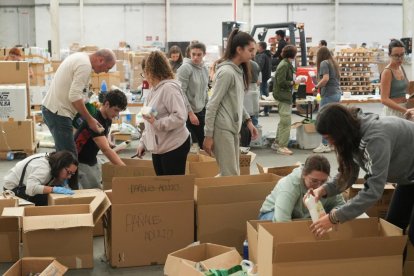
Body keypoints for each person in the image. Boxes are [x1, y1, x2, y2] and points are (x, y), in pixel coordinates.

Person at [310, 103, 414, 246]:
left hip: (410, 173)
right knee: (394, 228)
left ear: (339, 131)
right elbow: (348, 173)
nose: (329, 143)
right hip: (408, 177)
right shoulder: (352, 134)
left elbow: (373, 190)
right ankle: (394, 268)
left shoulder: (375, 139)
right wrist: (324, 190)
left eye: (328, 138)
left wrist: (334, 217)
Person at [203, 28, 258, 176]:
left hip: (232, 128)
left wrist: (248, 121)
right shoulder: (226, 72)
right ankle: (203, 194)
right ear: (239, 49)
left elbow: (236, 100)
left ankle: (204, 193)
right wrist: (208, 136)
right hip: (222, 129)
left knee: (232, 173)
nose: (253, 54)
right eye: (250, 50)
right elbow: (212, 105)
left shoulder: (237, 70)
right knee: (230, 174)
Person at [42, 49, 116, 156]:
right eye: (107, 68)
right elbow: (74, 96)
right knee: (69, 158)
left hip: (55, 110)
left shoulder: (82, 59)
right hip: (58, 113)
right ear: (100, 60)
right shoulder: (84, 65)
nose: (106, 71)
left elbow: (81, 96)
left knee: (63, 155)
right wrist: (90, 120)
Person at [135, 51, 190, 176]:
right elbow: (149, 117)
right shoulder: (154, 90)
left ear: (151, 71)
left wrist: (158, 123)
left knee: (172, 188)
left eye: (145, 73)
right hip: (159, 147)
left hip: (173, 145)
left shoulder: (169, 88)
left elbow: (180, 116)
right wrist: (143, 142)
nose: (145, 77)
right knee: (162, 187)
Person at [259, 155, 345, 222]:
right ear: (304, 174)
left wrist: (333, 215)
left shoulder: (328, 185)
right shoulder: (291, 185)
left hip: (303, 219)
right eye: (314, 181)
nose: (319, 186)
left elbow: (342, 205)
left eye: (323, 181)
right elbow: (281, 220)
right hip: (273, 215)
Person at [74, 89, 128, 189]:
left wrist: (110, 143)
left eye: (119, 111)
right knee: (94, 192)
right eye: (116, 110)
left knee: (99, 188)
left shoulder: (108, 119)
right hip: (80, 161)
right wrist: (125, 169)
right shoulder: (96, 120)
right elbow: (105, 150)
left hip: (91, 158)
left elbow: (103, 137)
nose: (117, 114)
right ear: (107, 104)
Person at [3, 151, 78, 206]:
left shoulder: (53, 160)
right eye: (68, 172)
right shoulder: (44, 169)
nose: (69, 177)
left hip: (25, 183)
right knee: (48, 200)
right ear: (60, 165)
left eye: (72, 174)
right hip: (13, 190)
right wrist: (53, 189)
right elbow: (30, 189)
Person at [176, 42, 209, 151]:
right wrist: (190, 113)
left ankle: (203, 167)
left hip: (201, 111)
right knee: (193, 147)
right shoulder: (185, 68)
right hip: (188, 113)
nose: (195, 57)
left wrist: (207, 108)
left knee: (203, 144)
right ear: (189, 53)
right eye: (193, 54)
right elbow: (180, 92)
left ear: (204, 54)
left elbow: (205, 90)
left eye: (199, 54)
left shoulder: (204, 68)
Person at [271, 45, 301, 155]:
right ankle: (282, 146)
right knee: (286, 122)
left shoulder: (287, 64)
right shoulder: (284, 65)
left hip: (285, 95)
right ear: (293, 54)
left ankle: (277, 142)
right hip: (283, 96)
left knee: (283, 121)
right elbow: (281, 82)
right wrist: (294, 82)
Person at [312, 46, 342, 153]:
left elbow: (325, 79)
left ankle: (324, 144)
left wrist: (316, 87)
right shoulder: (333, 62)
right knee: (332, 121)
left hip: (328, 94)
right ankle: (332, 144)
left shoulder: (324, 63)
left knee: (324, 120)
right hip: (336, 93)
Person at [380, 39, 409, 118]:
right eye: (396, 55)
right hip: (393, 112)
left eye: (402, 55)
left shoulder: (401, 67)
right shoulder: (387, 72)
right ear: (389, 55)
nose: (400, 58)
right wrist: (405, 110)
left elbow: (406, 89)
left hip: (404, 108)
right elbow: (384, 99)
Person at [255, 41, 272, 117]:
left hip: (262, 77)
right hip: (266, 76)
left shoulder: (262, 55)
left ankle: (266, 111)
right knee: (265, 93)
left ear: (261, 47)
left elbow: (259, 66)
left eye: (257, 46)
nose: (256, 48)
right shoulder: (267, 54)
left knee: (264, 94)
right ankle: (267, 110)